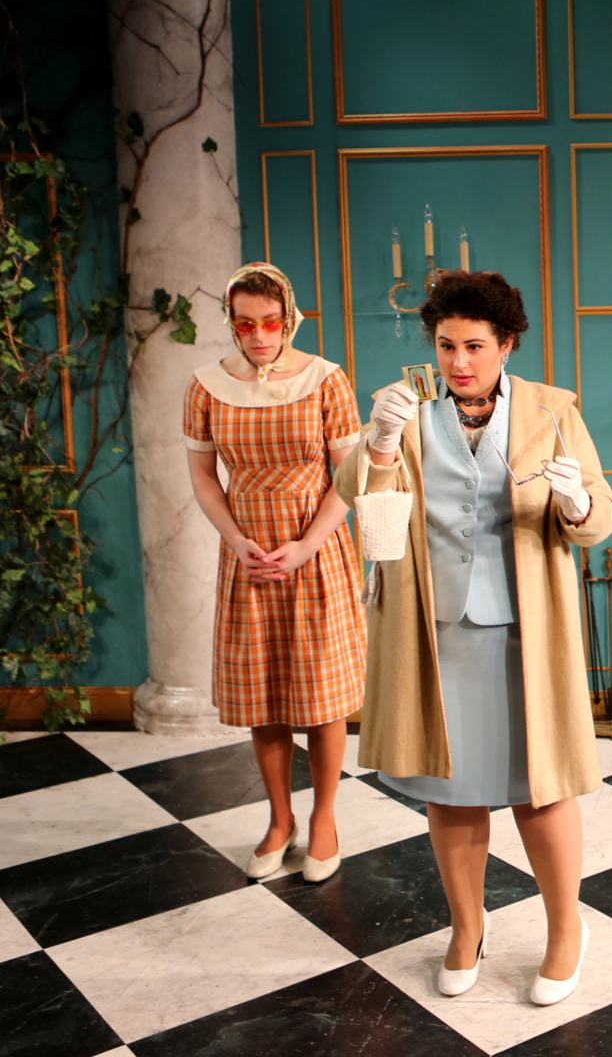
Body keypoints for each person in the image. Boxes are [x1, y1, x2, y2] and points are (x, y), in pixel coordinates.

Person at [335, 271, 612, 1005]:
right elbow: (358, 499)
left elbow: (601, 517)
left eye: (474, 346)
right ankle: (467, 928)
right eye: (446, 345)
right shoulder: (408, 412)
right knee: (451, 791)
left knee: (540, 788)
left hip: (525, 632)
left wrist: (576, 501)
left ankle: (566, 930)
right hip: (435, 634)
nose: (458, 361)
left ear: (506, 344)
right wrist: (380, 441)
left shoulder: (552, 411)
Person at [183, 263, 365, 883]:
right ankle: (279, 819)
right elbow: (203, 476)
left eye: (269, 323)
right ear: (231, 323)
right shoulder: (206, 386)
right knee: (264, 698)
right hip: (250, 560)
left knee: (321, 696)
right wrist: (237, 541)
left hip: (316, 552)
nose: (258, 336)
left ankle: (324, 819)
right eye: (245, 325)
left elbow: (349, 476)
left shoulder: (325, 379)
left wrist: (307, 545)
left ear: (289, 320)